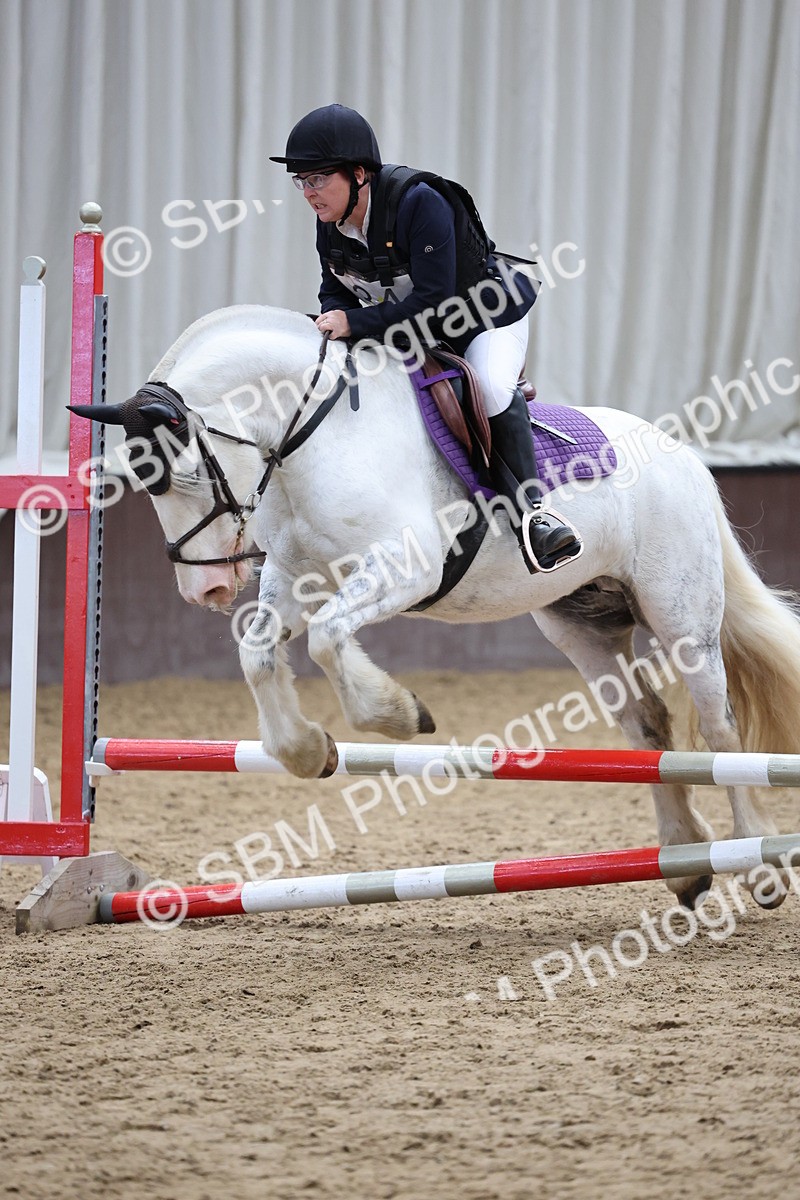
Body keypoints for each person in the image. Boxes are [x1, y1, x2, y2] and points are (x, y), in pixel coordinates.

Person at [270, 103, 581, 572]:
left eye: (318, 179)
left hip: (482, 318)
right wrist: (333, 323)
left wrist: (355, 325)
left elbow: (437, 303)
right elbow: (335, 290)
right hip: (412, 330)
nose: (309, 193)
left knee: (493, 387)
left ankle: (535, 518)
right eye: (301, 182)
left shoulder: (420, 202)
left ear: (359, 174)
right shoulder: (330, 223)